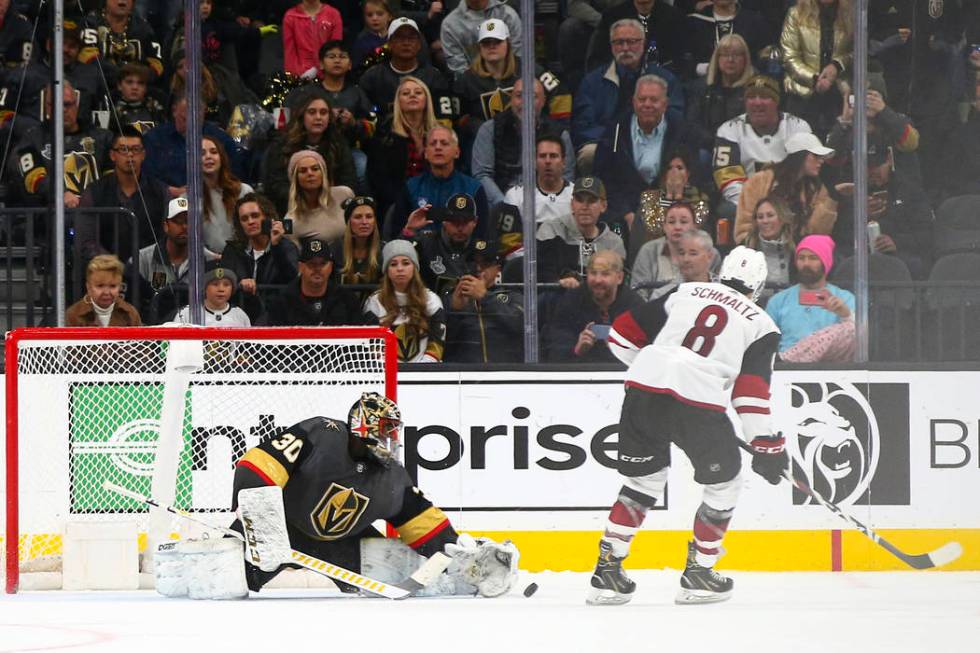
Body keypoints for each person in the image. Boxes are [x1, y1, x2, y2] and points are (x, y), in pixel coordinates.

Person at [155, 392, 520, 599]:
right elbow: (255, 468)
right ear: (362, 428)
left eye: (393, 433)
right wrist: (263, 534)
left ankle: (480, 569)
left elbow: (422, 523)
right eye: (384, 431)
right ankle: (182, 563)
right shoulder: (321, 433)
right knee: (221, 585)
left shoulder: (391, 475)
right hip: (281, 530)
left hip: (343, 544)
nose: (390, 441)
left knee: (398, 574)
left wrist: (460, 551)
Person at [588, 246, 783, 606]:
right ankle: (700, 572)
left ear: (721, 274)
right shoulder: (762, 323)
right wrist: (766, 445)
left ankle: (607, 571)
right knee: (725, 483)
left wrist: (654, 367)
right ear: (758, 288)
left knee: (642, 483)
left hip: (644, 389)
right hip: (698, 402)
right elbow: (750, 394)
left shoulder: (686, 290)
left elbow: (620, 334)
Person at [572, 19, 683, 174]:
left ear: (643, 43)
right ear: (611, 46)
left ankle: (655, 197)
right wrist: (617, 139)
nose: (625, 48)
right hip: (606, 142)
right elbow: (582, 126)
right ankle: (596, 195)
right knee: (589, 153)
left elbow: (675, 118)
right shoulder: (592, 82)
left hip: (653, 141)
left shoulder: (665, 79)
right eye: (619, 42)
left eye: (631, 42)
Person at [593, 74, 697, 236]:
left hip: (670, 205)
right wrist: (626, 214)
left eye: (654, 100)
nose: (647, 105)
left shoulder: (683, 130)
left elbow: (693, 173)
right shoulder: (616, 130)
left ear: (665, 104)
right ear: (634, 102)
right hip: (625, 208)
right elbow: (603, 178)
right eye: (642, 99)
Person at [713, 75, 813, 215]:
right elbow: (728, 179)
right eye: (751, 97)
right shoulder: (729, 130)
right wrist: (753, 204)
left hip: (789, 199)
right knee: (727, 210)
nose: (757, 102)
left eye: (765, 97)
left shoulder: (798, 127)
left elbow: (802, 173)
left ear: (776, 101)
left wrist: (777, 203)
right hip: (746, 203)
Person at [471, 77, 575, 207]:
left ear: (543, 101)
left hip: (546, 204)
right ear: (511, 100)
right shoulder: (490, 129)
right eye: (519, 96)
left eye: (534, 97)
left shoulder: (559, 134)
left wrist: (546, 203)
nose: (526, 102)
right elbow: (482, 174)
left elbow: (567, 177)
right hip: (500, 204)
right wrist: (506, 206)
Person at [76, 125, 169, 264]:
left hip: (149, 270)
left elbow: (168, 237)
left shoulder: (160, 192)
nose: (130, 155)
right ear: (112, 155)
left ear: (143, 155)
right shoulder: (94, 192)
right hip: (107, 273)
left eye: (135, 150)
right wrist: (114, 265)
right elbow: (86, 241)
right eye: (123, 149)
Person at [262, 90, 357, 215]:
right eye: (312, 112)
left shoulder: (338, 144)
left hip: (330, 209)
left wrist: (323, 199)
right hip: (292, 209)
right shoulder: (282, 145)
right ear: (302, 115)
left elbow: (348, 182)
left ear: (329, 118)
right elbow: (275, 185)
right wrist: (305, 200)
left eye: (323, 112)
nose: (318, 117)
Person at [386, 125, 489, 240]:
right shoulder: (411, 187)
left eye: (444, 143)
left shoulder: (474, 188)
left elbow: (482, 235)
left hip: (461, 254)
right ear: (425, 153)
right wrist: (409, 230)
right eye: (433, 143)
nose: (438, 147)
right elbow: (396, 236)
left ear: (457, 152)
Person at [734, 132, 838, 244]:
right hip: (759, 251)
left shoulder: (815, 189)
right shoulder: (759, 181)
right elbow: (744, 228)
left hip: (800, 254)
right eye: (816, 156)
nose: (821, 161)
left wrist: (832, 197)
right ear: (800, 156)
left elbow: (818, 233)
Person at [765, 234, 856, 363]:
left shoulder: (845, 298)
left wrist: (845, 314)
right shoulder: (778, 301)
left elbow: (860, 339)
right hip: (785, 370)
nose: (806, 263)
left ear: (825, 262)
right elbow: (766, 342)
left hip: (830, 370)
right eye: (801, 258)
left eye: (813, 258)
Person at [544, 250, 643, 363]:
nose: (597, 280)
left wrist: (619, 350)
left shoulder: (634, 306)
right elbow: (554, 354)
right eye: (593, 273)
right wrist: (577, 350)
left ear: (619, 278)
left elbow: (644, 358)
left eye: (605, 274)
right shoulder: (571, 301)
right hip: (579, 375)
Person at [366, 76, 441, 217]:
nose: (412, 95)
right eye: (406, 93)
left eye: (418, 92)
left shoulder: (439, 135)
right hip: (395, 205)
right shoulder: (385, 134)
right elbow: (379, 180)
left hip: (433, 201)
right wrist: (405, 202)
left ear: (427, 99)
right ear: (398, 102)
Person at [363, 240, 447, 363]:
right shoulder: (374, 302)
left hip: (425, 373)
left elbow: (437, 345)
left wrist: (419, 372)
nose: (400, 269)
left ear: (415, 267)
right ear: (386, 270)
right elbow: (373, 347)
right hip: (386, 374)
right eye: (393, 264)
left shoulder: (432, 300)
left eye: (406, 263)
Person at [780, 0, 854, 136]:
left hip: (838, 95)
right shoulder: (795, 14)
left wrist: (838, 65)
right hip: (803, 95)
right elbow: (789, 57)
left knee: (836, 150)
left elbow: (859, 52)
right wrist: (814, 79)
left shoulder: (851, 14)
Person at [536, 176, 626, 288]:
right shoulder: (551, 230)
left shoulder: (614, 243)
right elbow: (541, 274)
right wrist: (559, 281)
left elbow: (618, 284)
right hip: (558, 297)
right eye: (579, 200)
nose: (584, 206)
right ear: (572, 204)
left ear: (603, 206)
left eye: (592, 201)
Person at [626, 147, 712, 263]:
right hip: (654, 259)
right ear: (664, 174)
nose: (674, 172)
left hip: (689, 258)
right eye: (669, 168)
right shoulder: (650, 199)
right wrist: (669, 198)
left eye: (679, 168)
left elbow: (699, 235)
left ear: (687, 175)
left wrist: (678, 198)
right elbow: (651, 232)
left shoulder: (700, 200)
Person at [357, 17, 451, 121]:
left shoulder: (434, 77)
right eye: (400, 38)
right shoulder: (372, 78)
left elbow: (443, 118)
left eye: (411, 38)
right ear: (390, 44)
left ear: (419, 44)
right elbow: (367, 116)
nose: (406, 43)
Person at [443, 245, 524, 363]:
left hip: (505, 373)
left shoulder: (512, 295)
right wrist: (454, 310)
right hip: (463, 375)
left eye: (485, 263)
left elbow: (523, 328)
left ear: (498, 268)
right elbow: (441, 341)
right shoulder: (453, 296)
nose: (478, 268)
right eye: (473, 264)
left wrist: (485, 297)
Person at [499, 134, 575, 259]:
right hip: (526, 269)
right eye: (542, 156)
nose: (548, 161)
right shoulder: (515, 196)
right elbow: (509, 245)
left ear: (564, 162)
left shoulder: (576, 195)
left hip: (567, 267)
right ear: (534, 161)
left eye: (554, 156)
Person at [632, 202, 720, 301]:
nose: (677, 227)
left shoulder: (709, 252)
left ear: (694, 226)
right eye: (671, 222)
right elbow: (638, 292)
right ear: (664, 226)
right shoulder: (649, 250)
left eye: (683, 222)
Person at [266, 238, 363, 327]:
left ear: (331, 267)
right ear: (300, 267)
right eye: (311, 264)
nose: (317, 269)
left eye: (323, 264)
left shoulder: (347, 300)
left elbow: (360, 339)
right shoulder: (282, 302)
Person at [686, 34, 758, 152]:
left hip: (744, 150)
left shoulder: (755, 89)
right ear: (717, 58)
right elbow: (692, 125)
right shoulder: (702, 87)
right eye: (725, 55)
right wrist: (716, 143)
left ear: (745, 59)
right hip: (709, 148)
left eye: (736, 55)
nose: (730, 60)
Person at [409, 193, 491, 295]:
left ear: (475, 222)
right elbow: (395, 258)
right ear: (444, 221)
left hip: (469, 308)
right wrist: (409, 230)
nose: (460, 228)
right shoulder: (426, 243)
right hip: (429, 306)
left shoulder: (483, 251)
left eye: (465, 222)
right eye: (454, 222)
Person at [220, 193, 300, 296]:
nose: (250, 222)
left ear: (268, 217)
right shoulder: (232, 250)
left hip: (275, 309)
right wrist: (239, 284)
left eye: (255, 216)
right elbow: (223, 283)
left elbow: (292, 280)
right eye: (244, 219)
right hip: (240, 308)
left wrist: (276, 246)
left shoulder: (286, 247)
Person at [132, 197, 192, 321]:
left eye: (189, 221)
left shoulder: (208, 259)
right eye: (178, 221)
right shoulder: (142, 259)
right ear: (166, 226)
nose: (185, 226)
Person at [587, 0, 685, 73]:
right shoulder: (612, 16)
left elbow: (679, 58)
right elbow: (597, 59)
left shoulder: (674, 17)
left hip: (662, 80)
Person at [283, 149, 355, 248]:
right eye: (303, 171)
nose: (310, 173)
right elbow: (295, 258)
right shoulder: (290, 220)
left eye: (315, 169)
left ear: (323, 173)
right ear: (295, 178)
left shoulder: (344, 194)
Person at [201, 135, 254, 257]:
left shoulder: (244, 191)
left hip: (242, 260)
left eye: (213, 152)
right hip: (205, 266)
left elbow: (254, 231)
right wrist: (214, 257)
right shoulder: (187, 198)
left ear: (222, 158)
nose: (208, 156)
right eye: (202, 153)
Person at [440, 0, 522, 76]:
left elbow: (518, 56)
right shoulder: (449, 25)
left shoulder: (508, 15)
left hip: (512, 79)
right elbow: (459, 69)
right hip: (473, 86)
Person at [739, 196, 797, 296]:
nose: (765, 221)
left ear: (782, 218)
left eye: (770, 215)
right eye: (760, 217)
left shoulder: (797, 247)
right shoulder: (745, 249)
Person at [334, 196, 384, 307]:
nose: (364, 222)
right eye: (358, 217)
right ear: (349, 221)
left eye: (369, 216)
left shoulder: (383, 250)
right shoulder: (335, 249)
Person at [66, 254, 143, 327]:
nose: (106, 292)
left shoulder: (130, 314)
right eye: (100, 286)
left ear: (120, 287)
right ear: (88, 287)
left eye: (113, 286)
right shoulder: (73, 315)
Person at [282, 0, 343, 78]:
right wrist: (297, 76)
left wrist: (324, 72)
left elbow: (336, 50)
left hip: (328, 75)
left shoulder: (333, 14)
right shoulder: (290, 16)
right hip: (301, 76)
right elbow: (290, 54)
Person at [174, 267, 252, 326]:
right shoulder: (186, 314)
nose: (221, 289)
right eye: (215, 284)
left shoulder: (240, 315)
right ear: (205, 288)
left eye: (226, 285)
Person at [113, 63, 167, 132]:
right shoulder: (112, 111)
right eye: (129, 82)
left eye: (140, 83)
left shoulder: (156, 109)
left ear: (146, 87)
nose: (135, 87)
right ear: (119, 86)